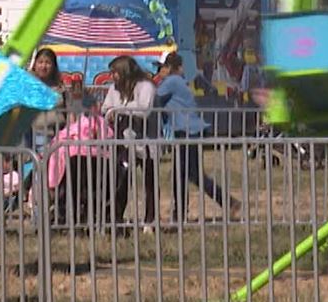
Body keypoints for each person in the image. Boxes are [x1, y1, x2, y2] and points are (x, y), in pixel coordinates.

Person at [154, 52, 239, 224]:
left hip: (187, 130)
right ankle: (182, 213)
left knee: (190, 174)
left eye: (160, 68)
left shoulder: (171, 82)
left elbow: (154, 99)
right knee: (184, 174)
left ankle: (227, 202)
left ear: (169, 68)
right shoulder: (178, 81)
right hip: (187, 129)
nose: (158, 72)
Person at [101, 55, 158, 227]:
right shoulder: (114, 88)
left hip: (147, 141)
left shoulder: (146, 86)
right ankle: (116, 219)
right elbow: (105, 108)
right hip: (124, 143)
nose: (113, 76)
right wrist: (111, 112)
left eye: (115, 72)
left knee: (150, 183)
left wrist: (119, 109)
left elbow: (144, 109)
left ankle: (150, 221)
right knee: (122, 181)